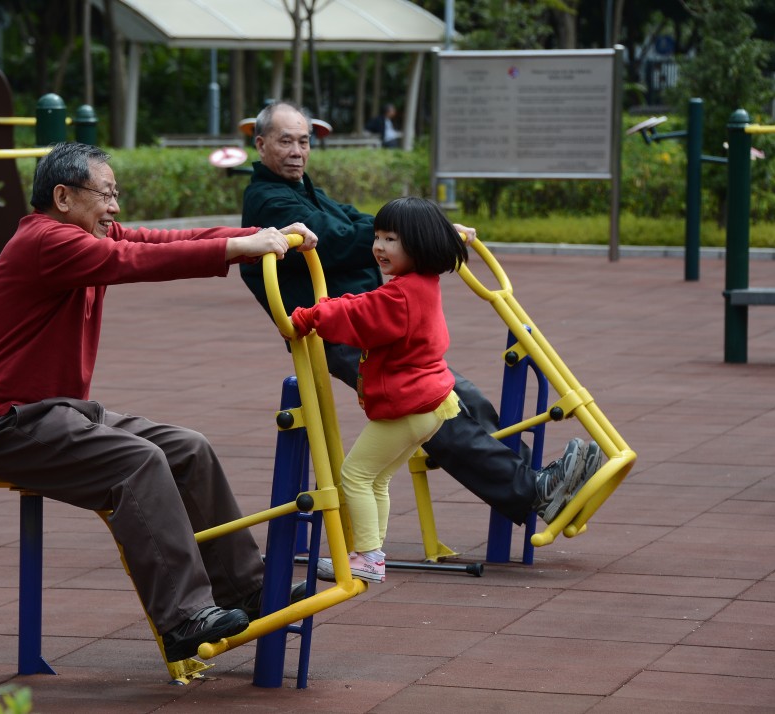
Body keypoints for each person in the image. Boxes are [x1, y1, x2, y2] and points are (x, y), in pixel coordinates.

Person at [0, 142, 315, 662]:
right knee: (139, 461)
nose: (115, 207)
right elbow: (134, 260)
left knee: (188, 448)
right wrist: (241, 249)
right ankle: (183, 617)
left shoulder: (82, 234)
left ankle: (245, 588)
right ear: (63, 196)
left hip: (59, 412)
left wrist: (255, 237)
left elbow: (165, 239)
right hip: (8, 425)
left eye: (115, 194)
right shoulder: (46, 241)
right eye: (105, 194)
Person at [240, 101, 603, 537]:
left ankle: (537, 482)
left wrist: (423, 228)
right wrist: (417, 234)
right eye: (285, 141)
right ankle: (529, 490)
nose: (298, 150)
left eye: (303, 141)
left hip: (378, 321)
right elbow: (336, 239)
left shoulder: (304, 191)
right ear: (260, 145)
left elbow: (356, 219)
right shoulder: (268, 199)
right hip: (345, 331)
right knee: (436, 415)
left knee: (464, 396)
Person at [289, 197, 468, 583]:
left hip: (410, 405)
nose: (379, 247)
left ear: (419, 245)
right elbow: (366, 304)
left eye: (391, 239)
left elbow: (360, 316)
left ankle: (368, 557)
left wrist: (308, 316)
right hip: (431, 403)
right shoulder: (418, 285)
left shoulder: (400, 295)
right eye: (378, 236)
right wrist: (332, 305)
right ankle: (370, 552)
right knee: (377, 478)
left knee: (353, 474)